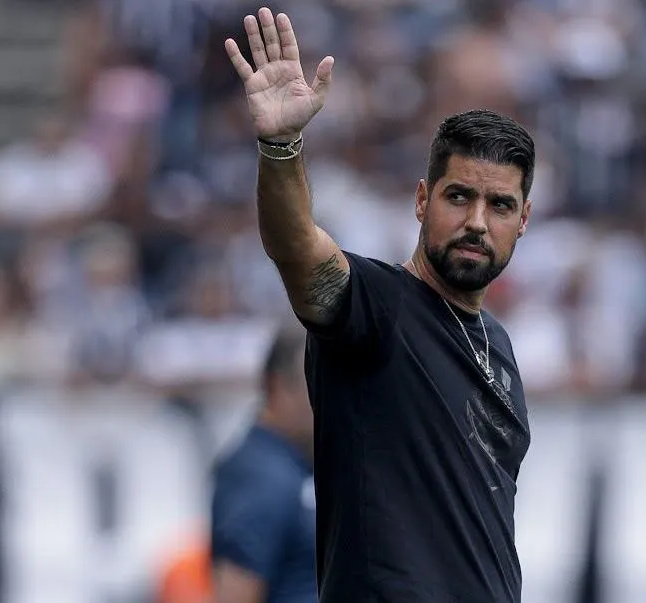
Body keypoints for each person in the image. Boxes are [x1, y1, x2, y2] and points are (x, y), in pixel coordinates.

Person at [224, 6, 535, 602]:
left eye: (498, 206)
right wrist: (281, 143)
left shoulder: (498, 345)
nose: (475, 222)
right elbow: (296, 248)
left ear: (523, 220)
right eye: (458, 196)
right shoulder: (379, 308)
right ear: (422, 200)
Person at [210, 328, 317, 603]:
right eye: (316, 385)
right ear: (278, 387)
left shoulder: (293, 462)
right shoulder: (259, 475)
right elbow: (236, 591)